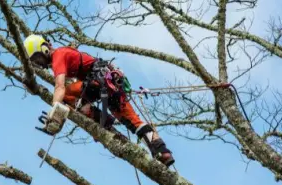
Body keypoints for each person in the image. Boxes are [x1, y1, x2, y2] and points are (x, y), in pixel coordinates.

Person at [23, 34, 175, 167]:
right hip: (110, 85)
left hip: (98, 83)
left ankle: (99, 118)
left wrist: (54, 110)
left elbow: (59, 86)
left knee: (66, 95)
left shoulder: (58, 56)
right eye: (36, 61)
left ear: (44, 48)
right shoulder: (66, 52)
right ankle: (163, 152)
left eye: (38, 58)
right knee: (133, 122)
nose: (40, 62)